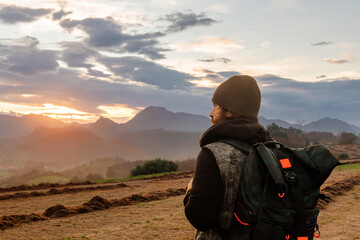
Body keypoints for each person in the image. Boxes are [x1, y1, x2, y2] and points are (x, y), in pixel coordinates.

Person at [183, 75, 273, 239]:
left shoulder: (211, 154)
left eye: (215, 106)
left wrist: (190, 191)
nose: (210, 114)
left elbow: (201, 219)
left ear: (230, 111)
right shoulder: (271, 152)